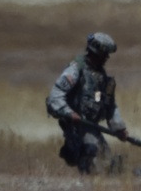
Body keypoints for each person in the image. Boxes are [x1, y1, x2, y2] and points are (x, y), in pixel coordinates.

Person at [46, 32, 128, 174]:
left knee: (108, 161)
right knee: (94, 161)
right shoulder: (75, 70)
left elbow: (108, 104)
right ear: (96, 52)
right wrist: (70, 113)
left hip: (91, 127)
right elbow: (56, 95)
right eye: (105, 53)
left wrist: (119, 127)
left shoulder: (100, 77)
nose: (107, 57)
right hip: (76, 127)